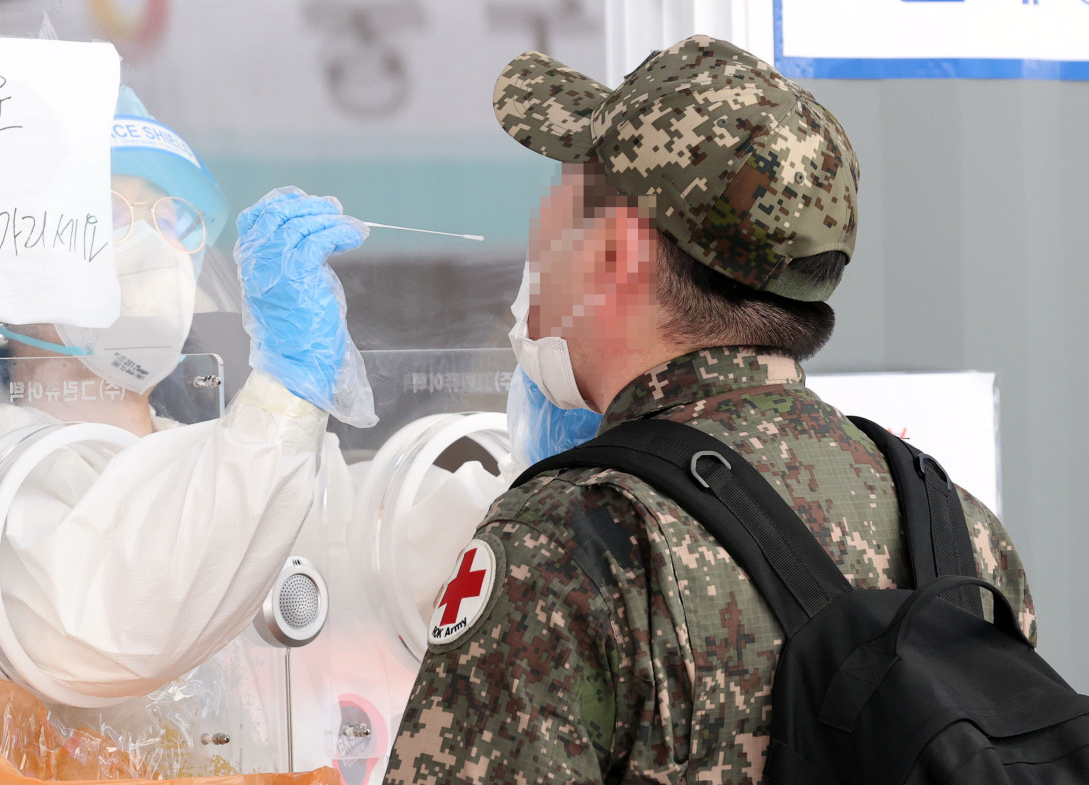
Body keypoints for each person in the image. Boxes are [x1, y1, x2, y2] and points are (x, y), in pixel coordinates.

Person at [383, 36, 1037, 784]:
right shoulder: (963, 534)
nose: (537, 231)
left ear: (616, 249)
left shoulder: (574, 543)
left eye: (562, 193)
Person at [0, 87, 374, 708]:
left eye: (172, 219)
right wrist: (286, 393)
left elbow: (374, 544)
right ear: (10, 272)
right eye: (110, 216)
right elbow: (112, 626)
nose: (158, 248)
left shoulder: (196, 445)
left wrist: (536, 465)